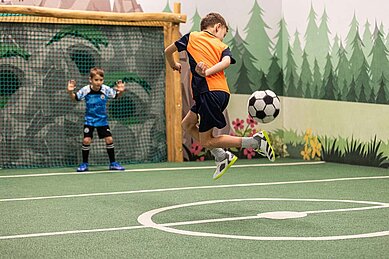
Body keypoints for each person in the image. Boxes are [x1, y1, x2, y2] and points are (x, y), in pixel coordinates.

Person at [165, 12, 275, 180]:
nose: (223, 38)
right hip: (211, 94)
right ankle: (221, 156)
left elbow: (168, 51)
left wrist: (175, 64)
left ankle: (255, 142)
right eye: (224, 33)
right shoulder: (221, 46)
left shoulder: (191, 37)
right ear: (217, 27)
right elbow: (226, 62)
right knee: (187, 124)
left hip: (211, 93)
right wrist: (206, 71)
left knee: (207, 141)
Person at [67, 67, 125, 172]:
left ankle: (113, 163)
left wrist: (121, 91)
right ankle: (84, 164)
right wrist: (70, 92)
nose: (98, 82)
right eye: (96, 80)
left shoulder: (106, 89)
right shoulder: (85, 90)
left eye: (101, 80)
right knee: (86, 140)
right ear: (91, 80)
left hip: (102, 121)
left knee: (109, 139)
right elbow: (75, 98)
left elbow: (116, 96)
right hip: (89, 120)